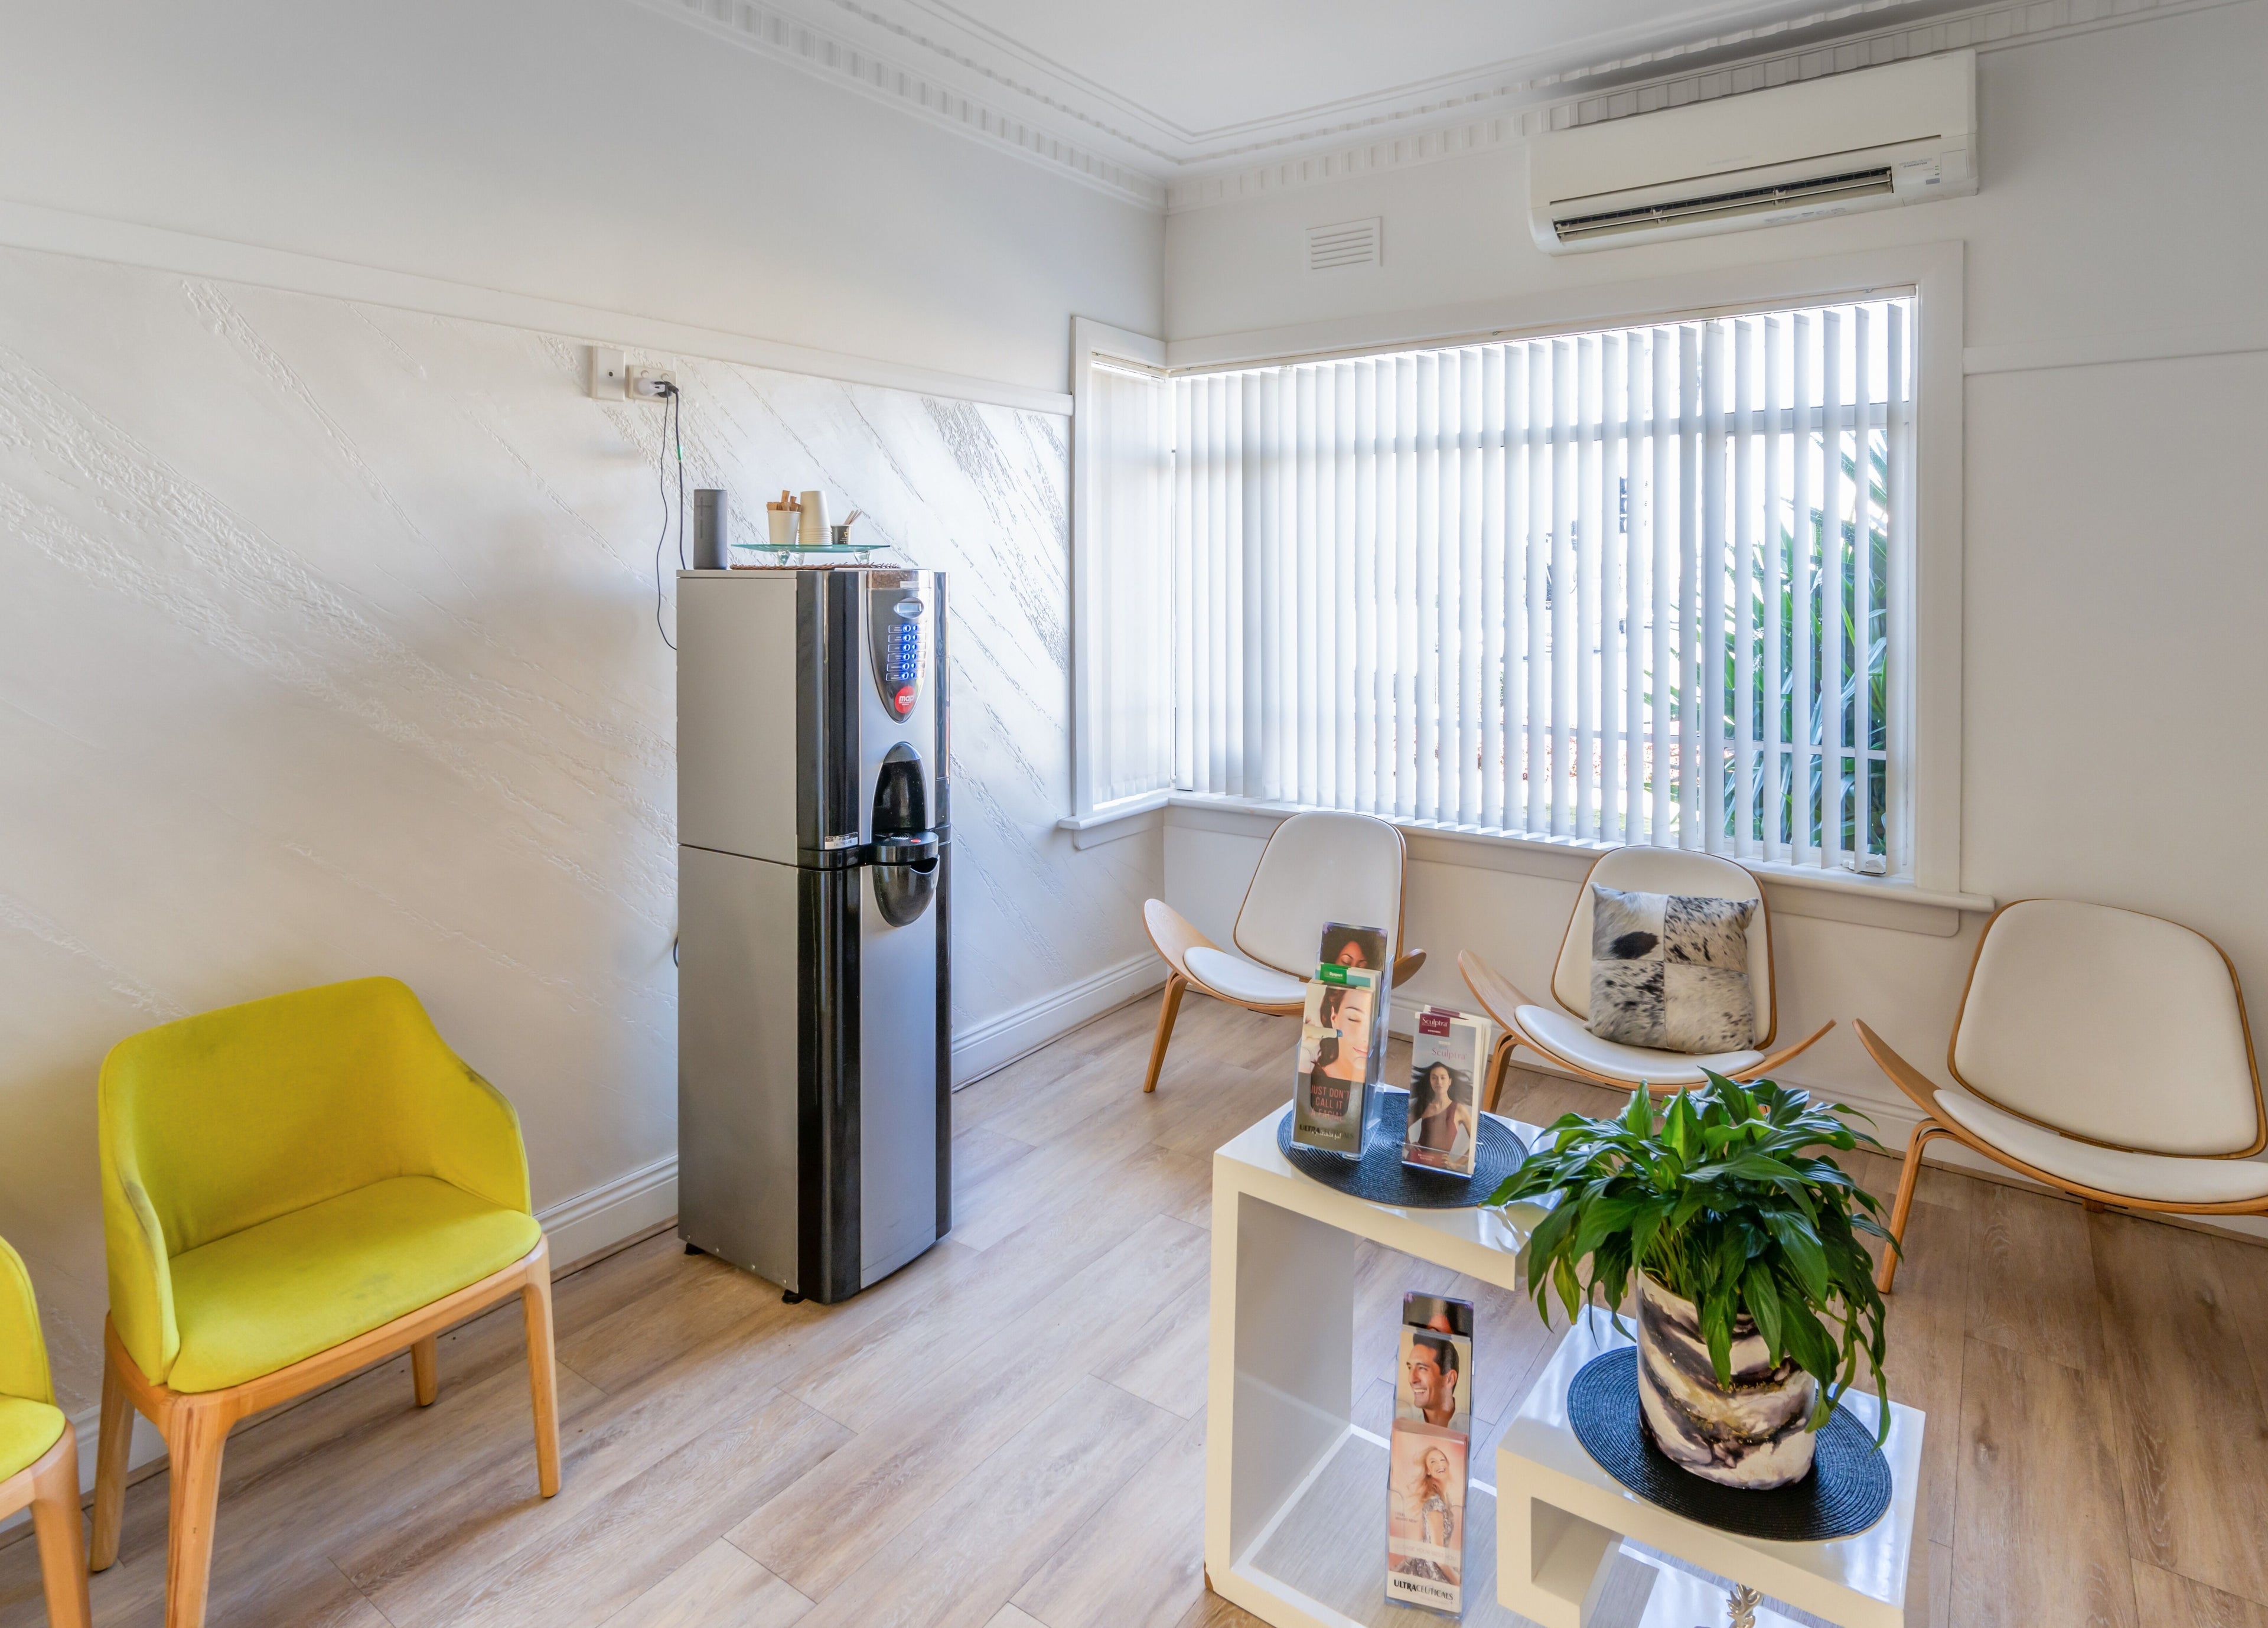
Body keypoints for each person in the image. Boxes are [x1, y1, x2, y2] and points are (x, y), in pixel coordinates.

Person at [1407, 1060, 1475, 1166]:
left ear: (1450, 1081)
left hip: (1439, 1169)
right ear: (1430, 1081)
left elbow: (1475, 1142)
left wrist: (1456, 1165)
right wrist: (1408, 1144)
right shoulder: (1424, 1105)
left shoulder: (1459, 1110)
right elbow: (1405, 1123)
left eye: (1443, 1078)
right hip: (1416, 1162)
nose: (1439, 1082)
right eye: (1434, 1078)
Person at [1402, 1331, 1462, 1428]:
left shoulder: (1467, 1424)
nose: (1411, 1379)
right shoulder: (1404, 1422)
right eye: (1410, 1368)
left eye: (1422, 1368)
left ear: (1450, 1379)